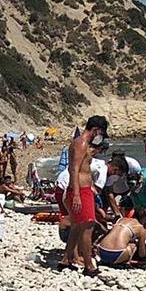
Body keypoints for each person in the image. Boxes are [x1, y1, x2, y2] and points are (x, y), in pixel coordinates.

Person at [57, 115, 109, 276]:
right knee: (88, 226)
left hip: (84, 188)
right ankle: (89, 265)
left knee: (78, 226)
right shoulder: (81, 143)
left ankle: (65, 260)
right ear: (96, 130)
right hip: (80, 189)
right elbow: (74, 169)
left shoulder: (82, 144)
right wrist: (77, 195)